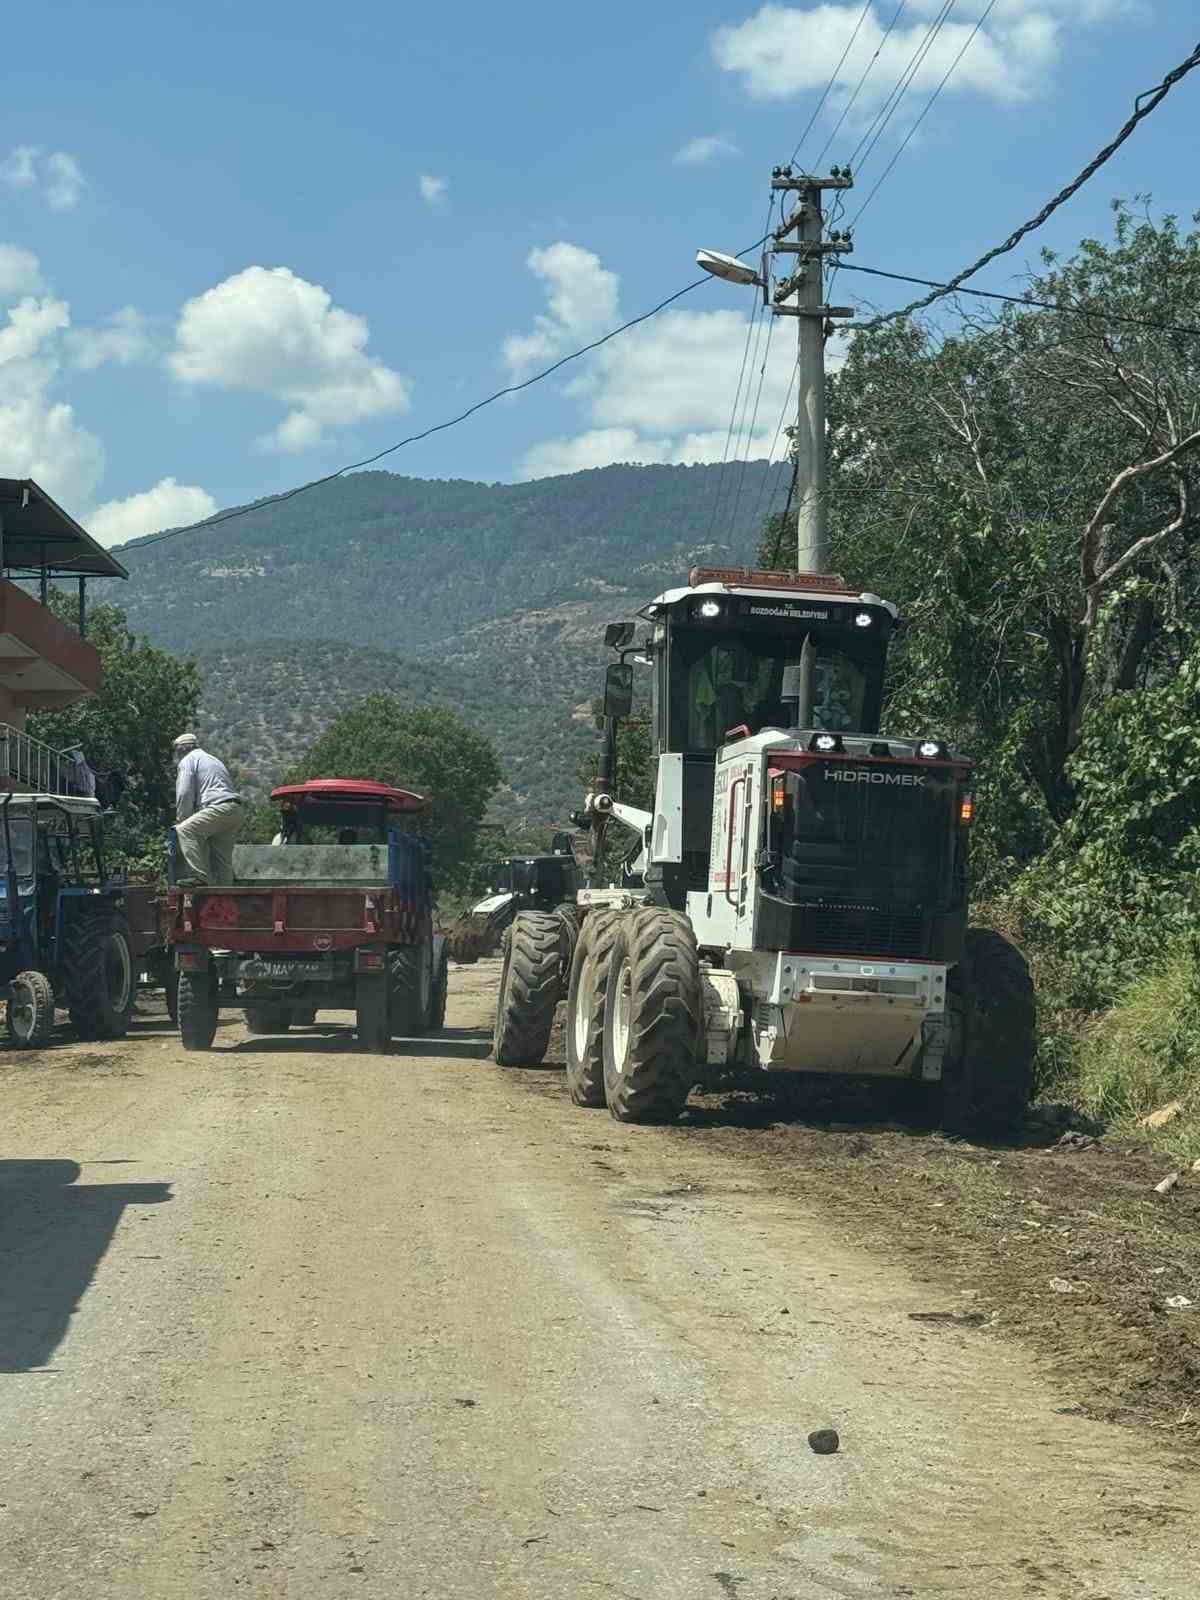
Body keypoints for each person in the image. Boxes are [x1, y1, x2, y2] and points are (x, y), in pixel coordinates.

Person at [172, 733, 244, 885]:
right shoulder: (212, 759)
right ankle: (226, 898)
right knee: (222, 860)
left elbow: (184, 793)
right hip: (234, 810)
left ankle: (199, 876)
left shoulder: (188, 760)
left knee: (185, 830)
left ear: (181, 749)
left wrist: (182, 819)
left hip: (218, 807)